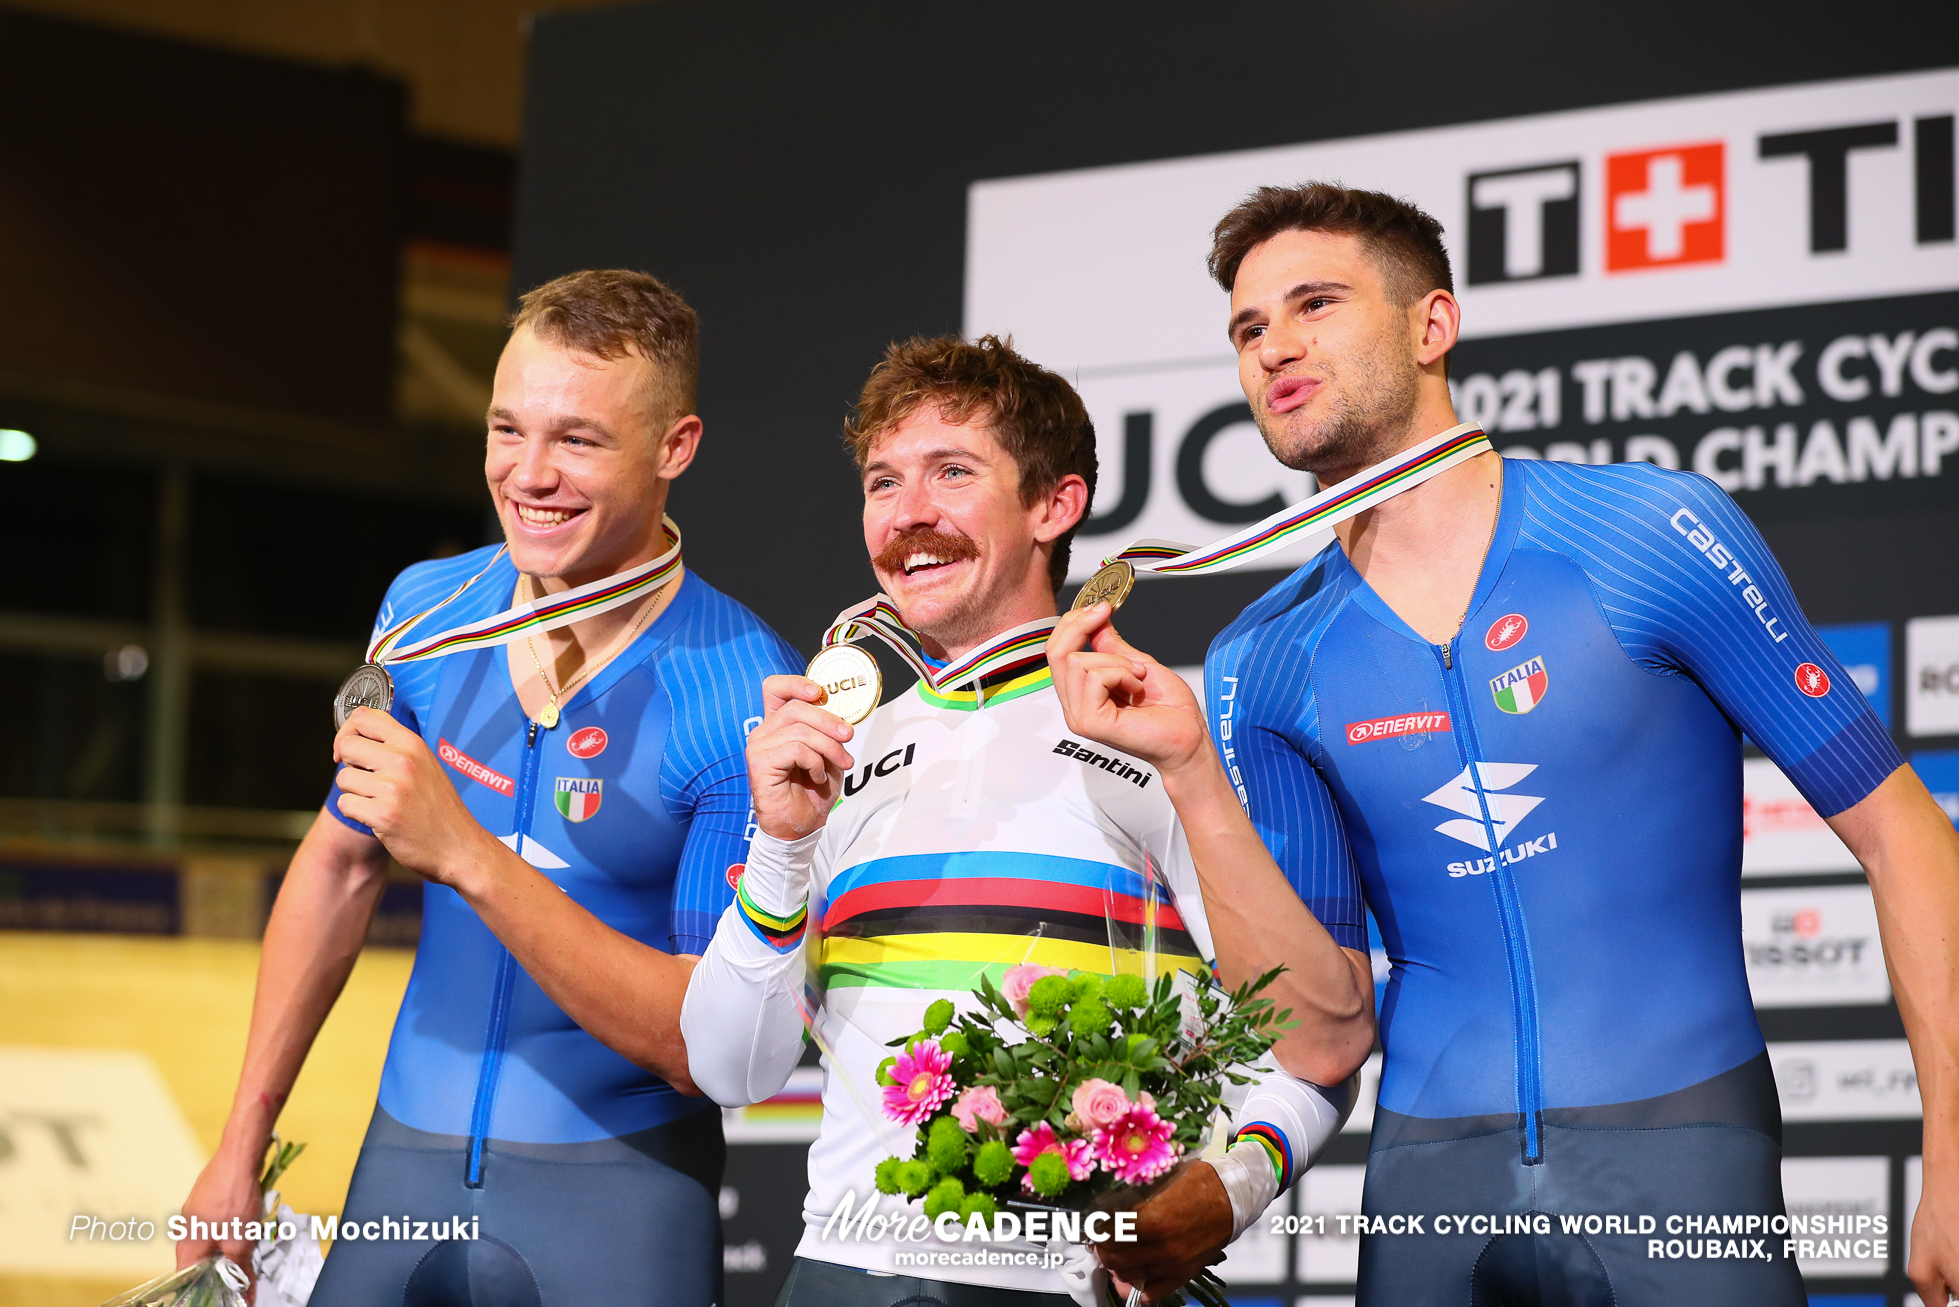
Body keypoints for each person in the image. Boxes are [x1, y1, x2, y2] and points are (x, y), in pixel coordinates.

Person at [1048, 182, 1959, 1306]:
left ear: (1432, 325)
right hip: (1429, 1181)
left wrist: (1956, 1152)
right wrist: (1189, 771)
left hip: (1680, 1146)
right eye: (1247, 328)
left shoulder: (1646, 534)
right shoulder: (1261, 658)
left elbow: (1904, 831)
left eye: (1315, 303)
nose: (1274, 344)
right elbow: (1319, 1026)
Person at [678, 336, 1373, 1307]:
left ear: (1056, 504)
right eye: (883, 482)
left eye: (951, 472)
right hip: (834, 1270)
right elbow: (726, 1069)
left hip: (1056, 1289)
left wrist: (1226, 1189)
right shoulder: (830, 747)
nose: (907, 512)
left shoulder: (1158, 730)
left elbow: (1319, 1043)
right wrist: (782, 844)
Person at [176, 269, 801, 1306]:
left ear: (674, 449)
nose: (529, 473)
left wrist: (466, 849)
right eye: (506, 429)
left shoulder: (742, 683)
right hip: (401, 1168)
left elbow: (701, 1043)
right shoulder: (427, 607)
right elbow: (338, 863)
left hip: (620, 1197)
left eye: (579, 440)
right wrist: (239, 1143)